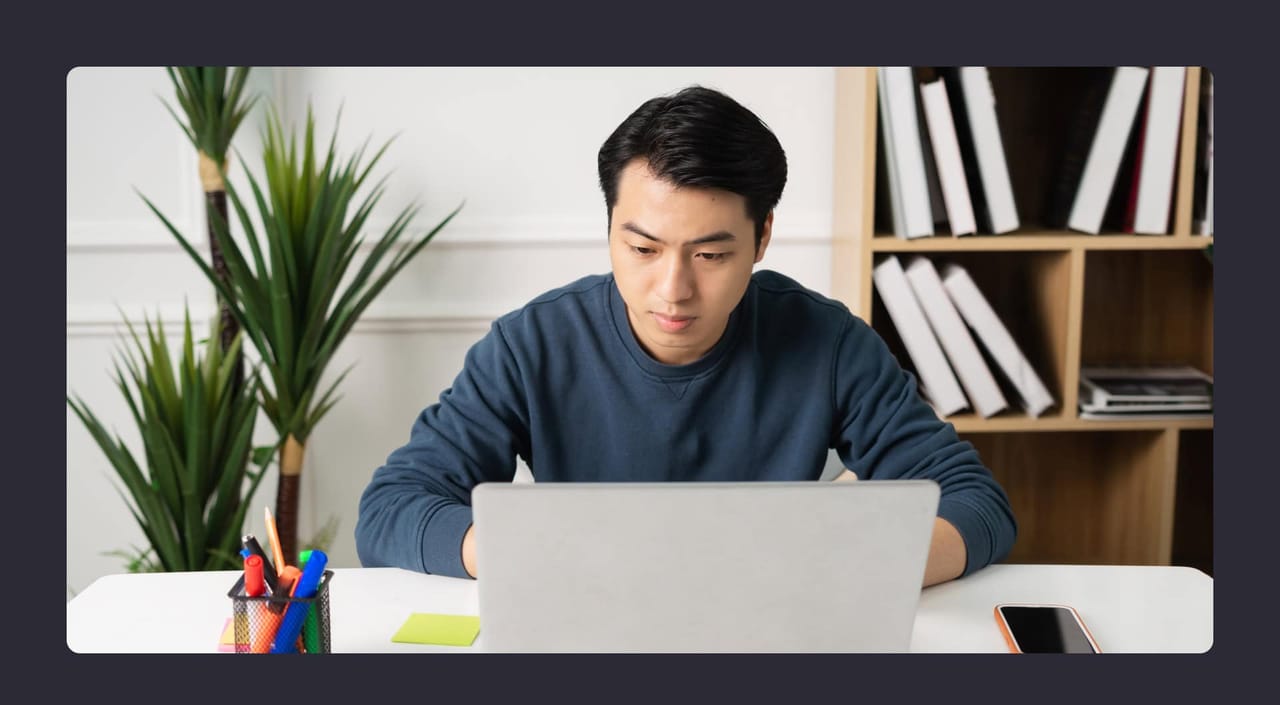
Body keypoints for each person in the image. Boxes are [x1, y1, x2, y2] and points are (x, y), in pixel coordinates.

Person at [355, 85, 1016, 586]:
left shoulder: (827, 341)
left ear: (761, 239)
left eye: (710, 255)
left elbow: (976, 504)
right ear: (610, 228)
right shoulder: (532, 345)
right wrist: (523, 556)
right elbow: (389, 511)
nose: (672, 290)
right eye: (642, 249)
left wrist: (849, 569)